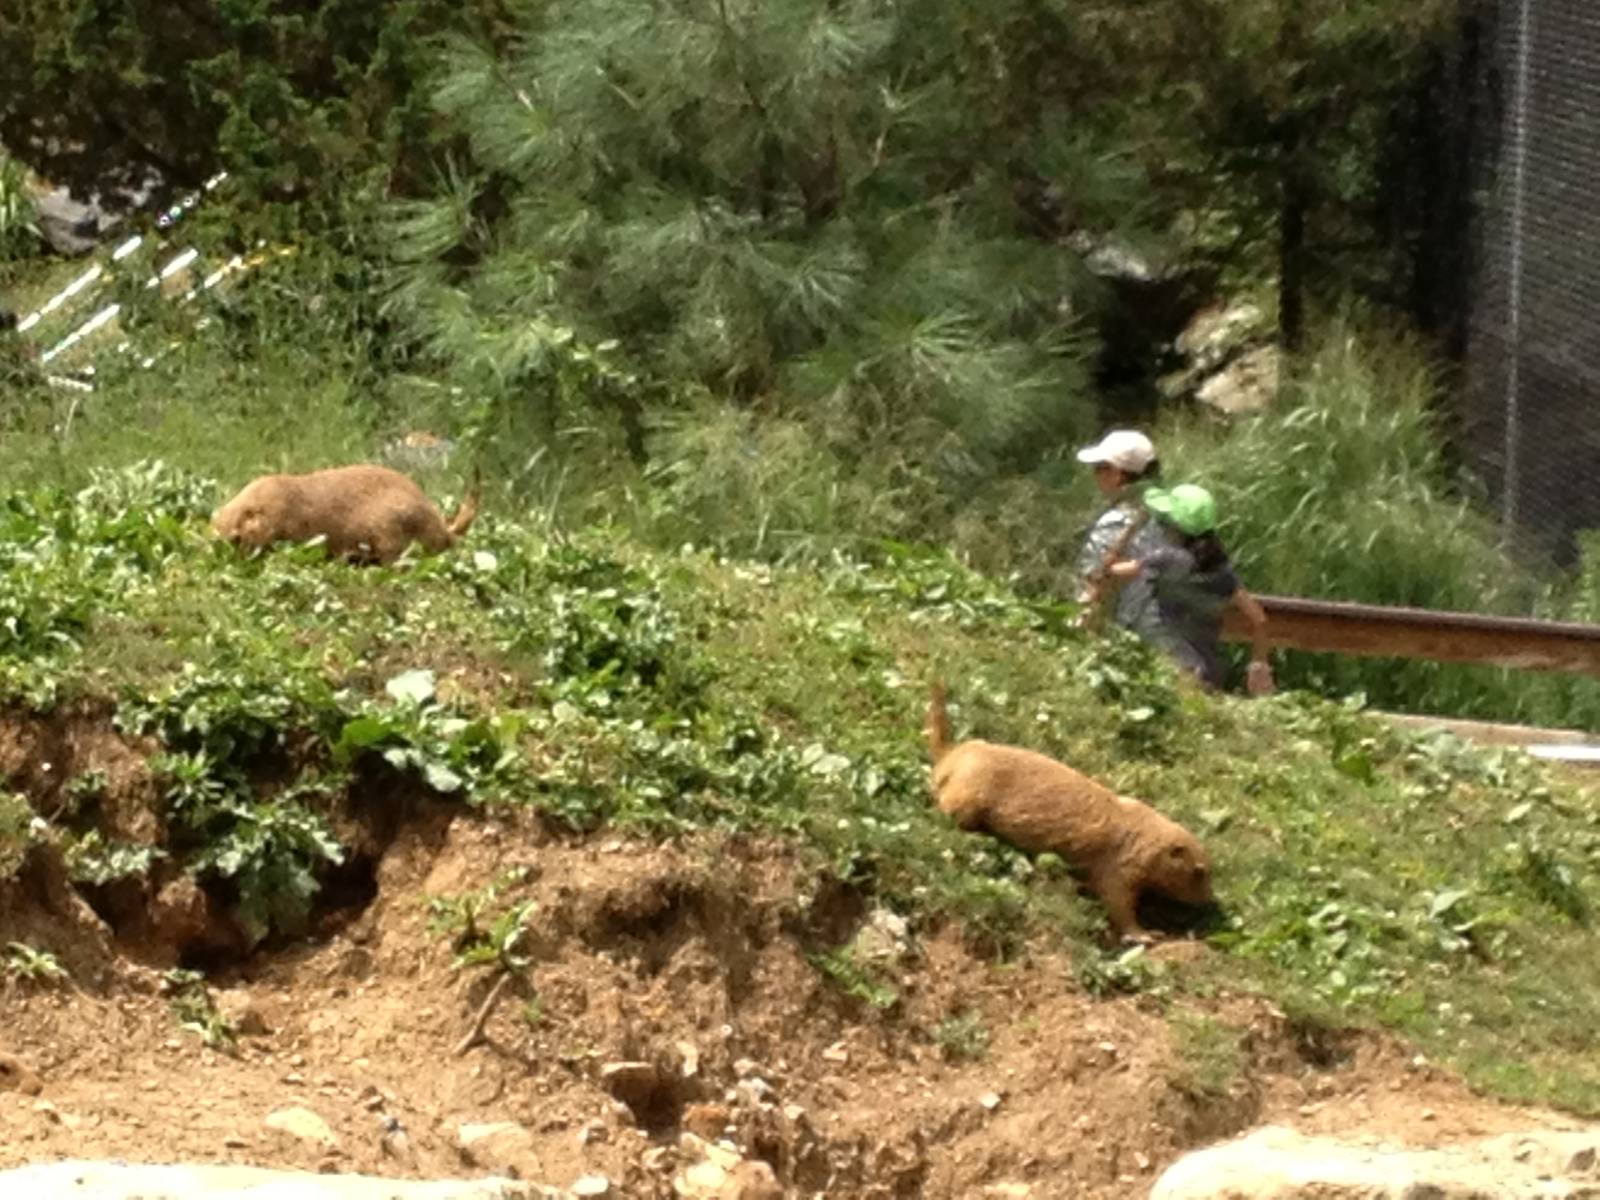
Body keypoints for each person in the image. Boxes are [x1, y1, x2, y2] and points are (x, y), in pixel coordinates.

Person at [1105, 483, 1275, 695]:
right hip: (1209, 676)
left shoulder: (1165, 560)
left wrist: (1130, 530)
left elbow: (1111, 569)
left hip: (1176, 671)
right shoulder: (1222, 573)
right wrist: (1259, 664)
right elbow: (1259, 619)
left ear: (1174, 525)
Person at [1074, 429, 1167, 634]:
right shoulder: (1164, 513)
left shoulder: (1115, 522)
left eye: (1099, 468)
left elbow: (1093, 582)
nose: (1094, 474)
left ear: (1117, 474)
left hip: (1121, 633)